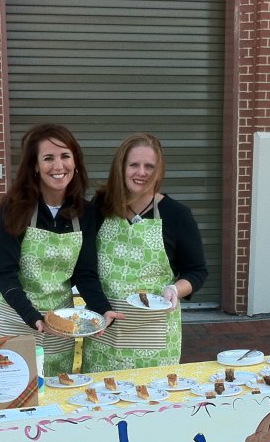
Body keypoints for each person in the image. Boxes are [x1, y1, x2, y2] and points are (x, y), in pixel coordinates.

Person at [0, 124, 119, 376]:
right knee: (10, 392)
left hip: (59, 323)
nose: (58, 166)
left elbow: (85, 273)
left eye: (65, 156)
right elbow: (5, 274)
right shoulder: (14, 210)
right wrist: (32, 316)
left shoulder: (87, 213)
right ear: (35, 166)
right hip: (14, 317)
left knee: (55, 395)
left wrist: (102, 308)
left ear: (75, 162)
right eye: (48, 158)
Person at [82, 132, 207, 373]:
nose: (142, 172)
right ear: (121, 167)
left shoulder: (177, 215)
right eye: (134, 165)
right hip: (105, 332)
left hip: (154, 339)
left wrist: (175, 289)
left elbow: (197, 271)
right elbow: (85, 268)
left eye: (149, 166)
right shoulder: (100, 208)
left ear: (159, 171)